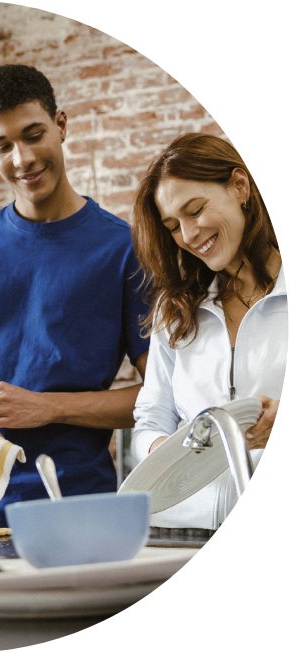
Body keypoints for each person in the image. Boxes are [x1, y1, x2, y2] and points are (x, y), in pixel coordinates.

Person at [0, 64, 148, 526]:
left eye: (33, 134)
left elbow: (158, 399)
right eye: (3, 145)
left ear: (60, 126)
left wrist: (47, 408)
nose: (22, 159)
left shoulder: (124, 250)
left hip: (74, 507)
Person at [131, 132, 287, 528]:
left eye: (195, 210)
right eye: (172, 226)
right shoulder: (176, 310)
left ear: (239, 186)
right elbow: (150, 419)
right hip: (184, 533)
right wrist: (164, 452)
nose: (188, 235)